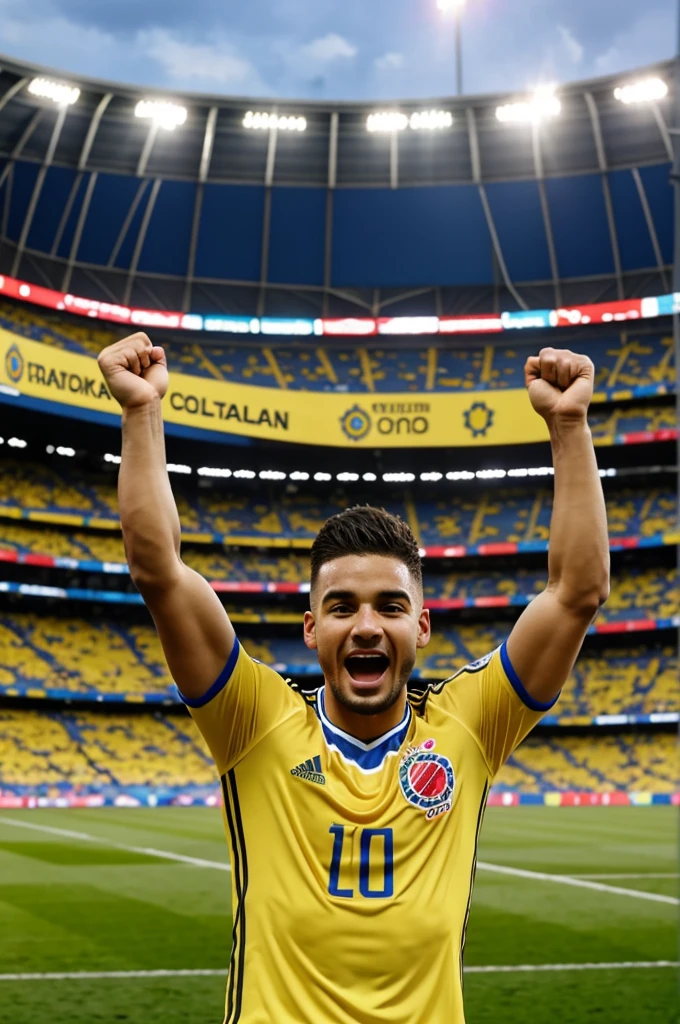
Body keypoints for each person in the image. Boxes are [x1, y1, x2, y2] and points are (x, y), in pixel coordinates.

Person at [98, 336, 610, 1024]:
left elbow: (577, 591)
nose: (366, 627)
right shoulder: (252, 722)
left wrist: (570, 427)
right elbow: (158, 570)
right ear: (311, 630)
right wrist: (141, 413)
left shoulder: (470, 726)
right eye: (341, 607)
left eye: (390, 607)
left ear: (422, 628)